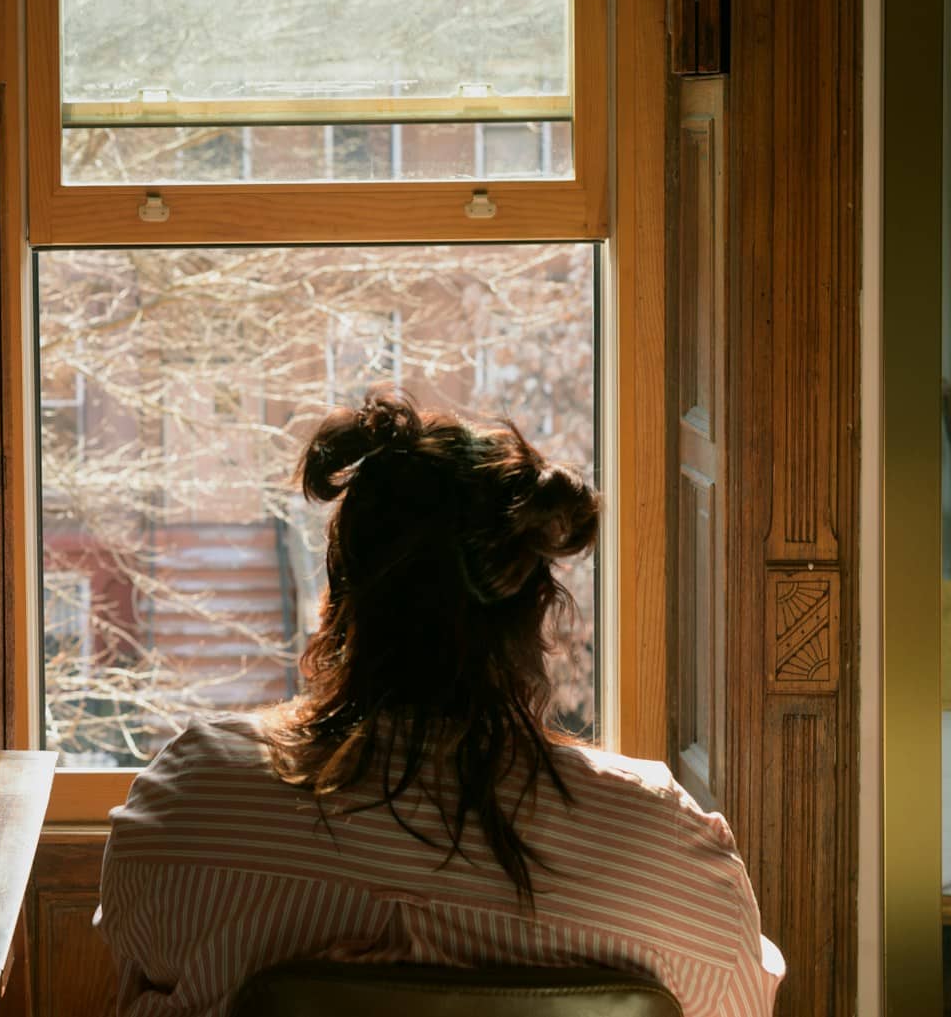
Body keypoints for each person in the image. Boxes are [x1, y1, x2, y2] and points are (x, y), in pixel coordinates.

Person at [95, 388, 783, 1017]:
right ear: (535, 612)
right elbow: (743, 993)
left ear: (342, 596)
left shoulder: (190, 807)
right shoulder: (664, 854)